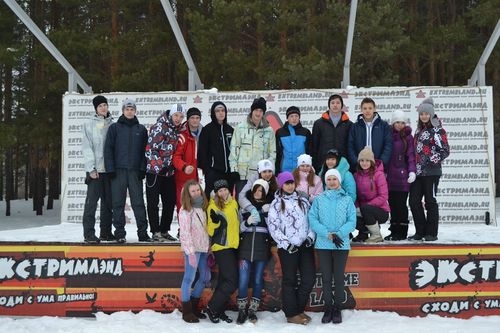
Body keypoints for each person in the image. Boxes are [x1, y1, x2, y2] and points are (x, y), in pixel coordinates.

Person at [308, 169, 356, 324]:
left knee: (339, 277)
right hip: (323, 243)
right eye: (329, 179)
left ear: (339, 181)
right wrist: (327, 234)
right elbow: (313, 219)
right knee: (327, 278)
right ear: (325, 182)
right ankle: (328, 308)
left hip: (341, 244)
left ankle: (337, 308)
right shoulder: (319, 200)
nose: (332, 182)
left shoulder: (347, 200)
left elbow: (352, 221)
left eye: (335, 179)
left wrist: (339, 234)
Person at [267, 171, 315, 325]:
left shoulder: (303, 201)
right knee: (290, 280)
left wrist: (310, 237)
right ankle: (291, 313)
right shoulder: (276, 204)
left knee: (309, 278)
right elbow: (273, 227)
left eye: (291, 182)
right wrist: (287, 244)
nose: (289, 185)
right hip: (288, 247)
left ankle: (298, 310)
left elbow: (312, 220)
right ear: (281, 185)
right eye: (286, 183)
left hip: (304, 246)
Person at [104, 98, 150, 243]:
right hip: (118, 171)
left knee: (138, 203)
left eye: (132, 109)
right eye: (127, 109)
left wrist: (143, 169)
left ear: (135, 111)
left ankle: (143, 233)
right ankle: (119, 233)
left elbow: (146, 151)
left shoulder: (141, 129)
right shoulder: (114, 128)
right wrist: (110, 169)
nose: (129, 112)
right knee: (118, 203)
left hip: (135, 171)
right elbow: (108, 149)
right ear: (123, 111)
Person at [409, 98, 450, 241]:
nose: (424, 116)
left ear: (431, 114)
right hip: (418, 173)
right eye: (421, 114)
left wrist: (431, 160)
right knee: (414, 201)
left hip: (432, 172)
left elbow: (445, 150)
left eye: (426, 113)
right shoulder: (418, 130)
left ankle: (431, 233)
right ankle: (420, 231)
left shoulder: (438, 130)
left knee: (430, 201)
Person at [145, 103, 186, 242]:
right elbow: (151, 149)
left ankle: (164, 230)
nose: (178, 118)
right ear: (171, 114)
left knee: (170, 201)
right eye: (176, 115)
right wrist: (160, 166)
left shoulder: (178, 130)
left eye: (181, 116)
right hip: (154, 171)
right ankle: (155, 231)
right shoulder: (160, 127)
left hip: (169, 172)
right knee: (153, 202)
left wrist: (170, 167)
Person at [236, 179, 273, 324]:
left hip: (261, 249)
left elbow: (273, 229)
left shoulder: (268, 208)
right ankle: (241, 309)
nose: (258, 193)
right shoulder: (244, 208)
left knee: (258, 280)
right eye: (256, 190)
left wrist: (267, 215)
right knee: (243, 280)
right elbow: (237, 229)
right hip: (245, 249)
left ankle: (253, 309)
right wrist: (247, 222)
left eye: (261, 191)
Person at [206, 179, 240, 324]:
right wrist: (214, 222)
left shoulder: (234, 203)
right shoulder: (213, 206)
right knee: (232, 282)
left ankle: (219, 310)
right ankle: (211, 307)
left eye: (225, 189)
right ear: (216, 193)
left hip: (233, 246)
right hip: (221, 247)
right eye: (220, 191)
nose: (223, 192)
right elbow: (210, 230)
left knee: (224, 280)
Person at [82, 95, 114, 243]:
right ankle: (89, 234)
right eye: (100, 105)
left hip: (109, 171)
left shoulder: (112, 124)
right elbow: (87, 148)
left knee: (108, 204)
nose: (103, 108)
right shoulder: (89, 124)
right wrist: (91, 168)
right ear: (95, 108)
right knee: (91, 203)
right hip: (95, 171)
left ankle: (106, 232)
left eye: (105, 105)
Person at [229, 97, 276, 196]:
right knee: (242, 202)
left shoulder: (269, 130)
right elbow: (234, 149)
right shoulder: (240, 127)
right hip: (243, 175)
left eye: (261, 111)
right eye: (256, 110)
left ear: (263, 112)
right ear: (252, 111)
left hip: (261, 176)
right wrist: (234, 170)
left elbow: (272, 153)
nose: (258, 113)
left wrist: (269, 172)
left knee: (260, 203)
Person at [178, 180, 210, 323]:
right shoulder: (186, 210)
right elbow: (184, 233)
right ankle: (187, 311)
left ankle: (194, 307)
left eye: (198, 190)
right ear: (188, 194)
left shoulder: (203, 207)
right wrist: (190, 253)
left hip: (203, 248)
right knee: (189, 279)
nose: (197, 193)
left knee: (205, 277)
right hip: (193, 249)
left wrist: (209, 247)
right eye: (193, 191)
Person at [385, 110, 416, 241]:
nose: (400, 125)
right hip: (390, 177)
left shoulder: (408, 137)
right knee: (392, 204)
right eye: (397, 122)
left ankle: (402, 231)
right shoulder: (388, 135)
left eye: (402, 122)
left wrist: (411, 171)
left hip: (403, 177)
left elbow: (411, 156)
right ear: (393, 123)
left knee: (401, 205)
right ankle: (393, 230)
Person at [353, 147, 390, 243]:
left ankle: (376, 235)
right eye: (362, 160)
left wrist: (368, 205)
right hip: (363, 209)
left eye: (367, 160)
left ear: (372, 162)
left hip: (380, 210)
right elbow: (355, 194)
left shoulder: (378, 175)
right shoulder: (356, 175)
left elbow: (383, 196)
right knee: (352, 213)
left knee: (365, 208)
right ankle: (363, 233)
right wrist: (356, 206)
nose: (364, 163)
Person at [197, 101, 234, 197]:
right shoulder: (207, 130)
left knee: (227, 200)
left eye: (223, 110)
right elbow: (202, 152)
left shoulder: (230, 130)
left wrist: (234, 169)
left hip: (229, 173)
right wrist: (208, 170)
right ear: (213, 113)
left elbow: (235, 151)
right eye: (218, 111)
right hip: (214, 173)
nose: (221, 113)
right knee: (212, 199)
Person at [348, 97, 392, 171]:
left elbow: (388, 145)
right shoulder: (355, 127)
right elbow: (350, 146)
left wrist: (381, 162)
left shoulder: (383, 125)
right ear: (361, 109)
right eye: (365, 108)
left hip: (378, 167)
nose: (367, 111)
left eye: (370, 108)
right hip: (360, 167)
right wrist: (357, 162)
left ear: (374, 109)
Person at [311, 94, 352, 172]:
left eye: (338, 103)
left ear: (342, 105)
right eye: (332, 103)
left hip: (342, 164)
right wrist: (315, 164)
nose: (335, 105)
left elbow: (350, 146)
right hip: (323, 164)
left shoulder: (349, 124)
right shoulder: (319, 123)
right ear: (329, 105)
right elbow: (314, 146)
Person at [173, 107, 203, 212]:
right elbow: (176, 157)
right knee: (182, 206)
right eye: (192, 118)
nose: (195, 120)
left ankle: (195, 228)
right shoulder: (182, 135)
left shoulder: (203, 133)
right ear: (188, 119)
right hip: (183, 177)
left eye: (197, 117)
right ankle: (183, 228)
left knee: (197, 206)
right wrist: (184, 167)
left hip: (196, 177)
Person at [275, 106, 311, 173]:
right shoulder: (280, 132)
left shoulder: (306, 132)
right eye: (291, 116)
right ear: (287, 118)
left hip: (301, 169)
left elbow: (309, 152)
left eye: (296, 116)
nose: (294, 119)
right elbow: (278, 153)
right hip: (285, 169)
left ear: (299, 117)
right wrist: (277, 170)